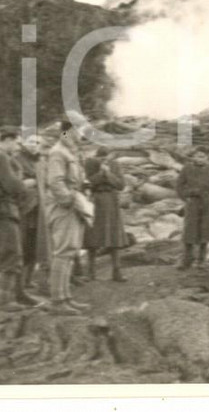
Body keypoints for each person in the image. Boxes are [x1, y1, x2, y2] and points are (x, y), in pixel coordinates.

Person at [0, 129, 30, 311]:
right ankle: (6, 301)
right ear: (8, 140)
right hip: (3, 211)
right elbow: (12, 185)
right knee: (11, 253)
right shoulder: (1, 157)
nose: (17, 147)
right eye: (16, 142)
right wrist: (24, 185)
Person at [45, 121, 92, 315]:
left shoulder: (71, 152)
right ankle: (57, 301)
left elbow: (76, 178)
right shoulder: (58, 152)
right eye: (79, 130)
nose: (82, 134)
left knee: (71, 251)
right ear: (70, 131)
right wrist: (70, 201)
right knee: (63, 252)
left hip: (74, 204)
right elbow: (55, 183)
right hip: (64, 207)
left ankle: (66, 297)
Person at [175, 148, 209, 269]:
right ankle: (187, 260)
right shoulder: (187, 168)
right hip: (192, 202)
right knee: (189, 231)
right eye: (197, 156)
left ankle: (202, 260)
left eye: (202, 156)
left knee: (206, 231)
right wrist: (185, 197)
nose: (199, 159)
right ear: (193, 157)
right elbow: (179, 185)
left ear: (207, 157)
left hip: (208, 203)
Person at [83, 148, 129, 282]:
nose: (103, 160)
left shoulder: (115, 164)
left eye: (105, 157)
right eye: (100, 158)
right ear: (96, 157)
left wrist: (108, 174)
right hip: (95, 200)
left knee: (114, 237)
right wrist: (100, 173)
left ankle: (117, 272)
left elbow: (121, 185)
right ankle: (91, 273)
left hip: (112, 200)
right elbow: (87, 183)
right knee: (92, 238)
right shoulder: (90, 164)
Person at [12, 135, 46, 305]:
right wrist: (26, 183)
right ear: (24, 144)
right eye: (31, 142)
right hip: (23, 208)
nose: (34, 145)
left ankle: (28, 279)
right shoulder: (16, 159)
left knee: (34, 244)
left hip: (38, 208)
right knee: (21, 245)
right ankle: (18, 287)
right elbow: (13, 182)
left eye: (37, 143)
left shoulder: (40, 161)